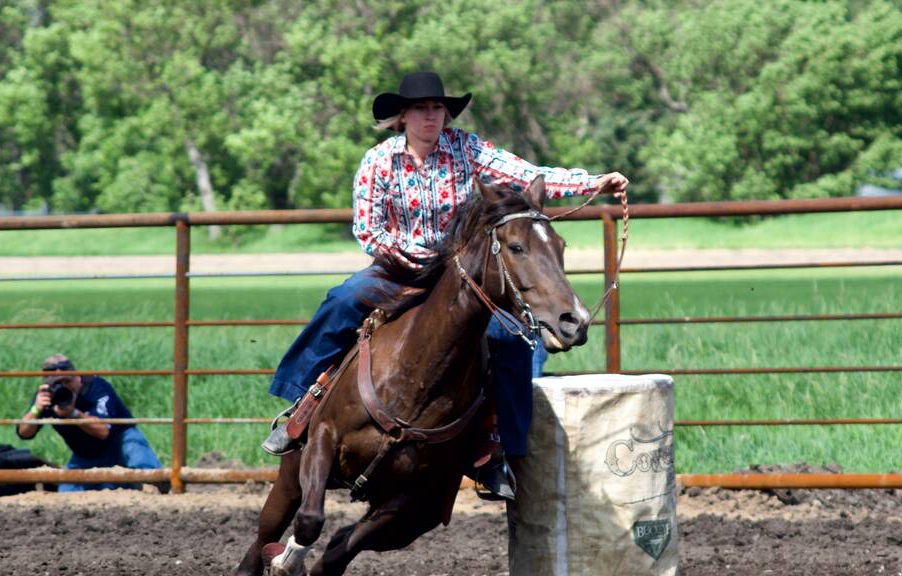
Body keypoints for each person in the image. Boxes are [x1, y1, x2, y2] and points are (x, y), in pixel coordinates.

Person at [263, 71, 628, 499]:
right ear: (403, 116)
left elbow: (525, 173)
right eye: (421, 109)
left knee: (511, 339)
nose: (430, 116)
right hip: (399, 269)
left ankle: (502, 452)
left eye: (437, 108)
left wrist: (594, 183)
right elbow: (369, 229)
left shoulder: (467, 149)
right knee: (343, 299)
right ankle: (300, 403)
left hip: (462, 278)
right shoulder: (379, 162)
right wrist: (417, 258)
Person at [15, 354, 162, 492]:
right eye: (57, 383)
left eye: (67, 381)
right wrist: (36, 409)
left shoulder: (96, 387)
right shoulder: (48, 397)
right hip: (86, 454)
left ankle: (157, 482)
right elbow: (24, 433)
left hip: (117, 445)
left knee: (134, 448)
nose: (63, 387)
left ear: (77, 377)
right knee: (66, 492)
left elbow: (103, 431)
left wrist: (73, 413)